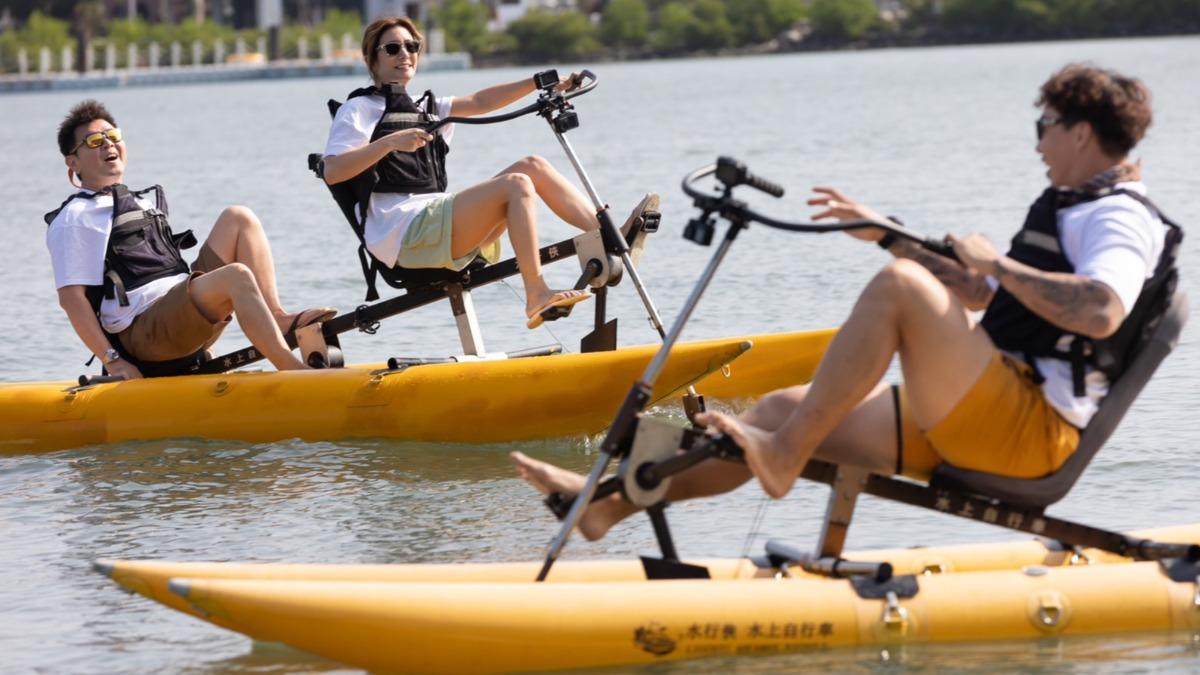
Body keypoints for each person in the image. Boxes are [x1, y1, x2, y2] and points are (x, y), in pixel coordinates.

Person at [513, 63, 1176, 539]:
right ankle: (602, 506)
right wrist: (884, 232)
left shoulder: (1119, 216)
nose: (1038, 141)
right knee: (776, 410)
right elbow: (980, 292)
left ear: (1082, 132)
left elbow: (1101, 310)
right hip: (990, 408)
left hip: (1026, 429)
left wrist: (994, 260)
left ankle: (783, 454)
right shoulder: (1076, 205)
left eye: (1046, 125)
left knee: (898, 294)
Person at [322, 16, 644, 329]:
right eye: (392, 48)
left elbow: (481, 101)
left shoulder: (426, 107)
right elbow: (333, 170)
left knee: (533, 166)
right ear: (372, 60)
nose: (405, 54)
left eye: (412, 46)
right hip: (406, 236)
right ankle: (536, 295)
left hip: (438, 226)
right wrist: (389, 143)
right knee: (516, 185)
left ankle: (610, 236)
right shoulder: (359, 110)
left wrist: (540, 82)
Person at [47, 100, 336, 379]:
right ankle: (292, 370)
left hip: (178, 312)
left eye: (113, 136)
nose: (109, 144)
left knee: (239, 218)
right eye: (95, 141)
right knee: (235, 276)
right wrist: (114, 361)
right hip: (146, 333)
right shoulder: (76, 217)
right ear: (73, 162)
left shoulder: (138, 202)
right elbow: (71, 300)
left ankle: (277, 318)